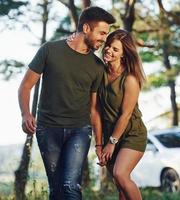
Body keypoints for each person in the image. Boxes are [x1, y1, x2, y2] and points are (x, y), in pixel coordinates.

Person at [18, 6, 115, 200]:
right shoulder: (50, 50)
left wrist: (98, 143)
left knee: (71, 186)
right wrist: (26, 114)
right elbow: (25, 86)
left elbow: (94, 108)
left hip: (79, 130)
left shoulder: (97, 67)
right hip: (48, 128)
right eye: (102, 33)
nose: (104, 39)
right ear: (86, 28)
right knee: (56, 189)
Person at [96, 29, 147, 200]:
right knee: (120, 186)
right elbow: (95, 110)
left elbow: (125, 115)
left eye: (115, 49)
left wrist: (111, 143)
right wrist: (100, 143)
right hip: (110, 134)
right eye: (108, 46)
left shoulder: (130, 79)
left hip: (132, 134)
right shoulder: (100, 73)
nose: (109, 50)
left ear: (124, 54)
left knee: (120, 174)